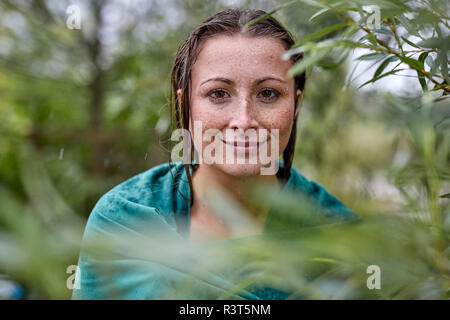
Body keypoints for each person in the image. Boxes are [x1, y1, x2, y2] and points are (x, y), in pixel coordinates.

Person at [72, 8, 359, 300]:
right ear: (186, 104)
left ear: (296, 105)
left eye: (268, 94)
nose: (244, 121)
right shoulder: (124, 220)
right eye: (219, 94)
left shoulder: (341, 236)